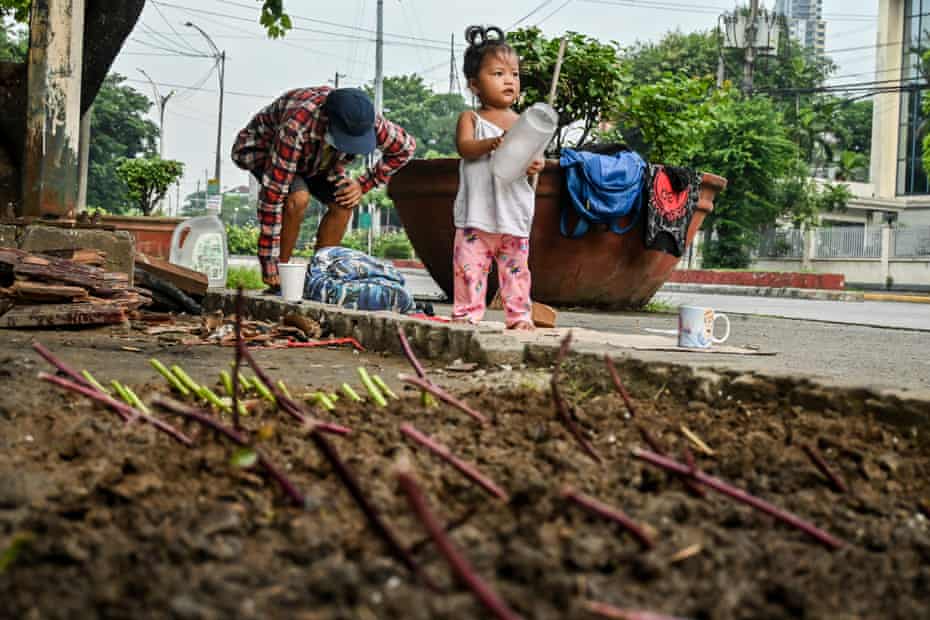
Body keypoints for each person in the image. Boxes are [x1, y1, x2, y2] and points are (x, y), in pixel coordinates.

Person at [231, 87, 416, 290]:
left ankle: (320, 278)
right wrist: (269, 264)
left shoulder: (368, 122)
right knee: (298, 199)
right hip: (266, 151)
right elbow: (272, 199)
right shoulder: (296, 126)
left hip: (317, 160)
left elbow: (405, 148)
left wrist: (363, 185)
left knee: (345, 201)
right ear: (326, 120)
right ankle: (280, 277)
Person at [452, 25, 543, 330]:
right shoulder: (471, 118)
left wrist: (534, 165)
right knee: (469, 270)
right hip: (477, 216)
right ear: (475, 85)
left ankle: (519, 317)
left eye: (514, 74)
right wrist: (491, 143)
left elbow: (534, 159)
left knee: (517, 270)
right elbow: (465, 148)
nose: (509, 80)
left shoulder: (524, 123)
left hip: (514, 215)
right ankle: (467, 313)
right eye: (498, 73)